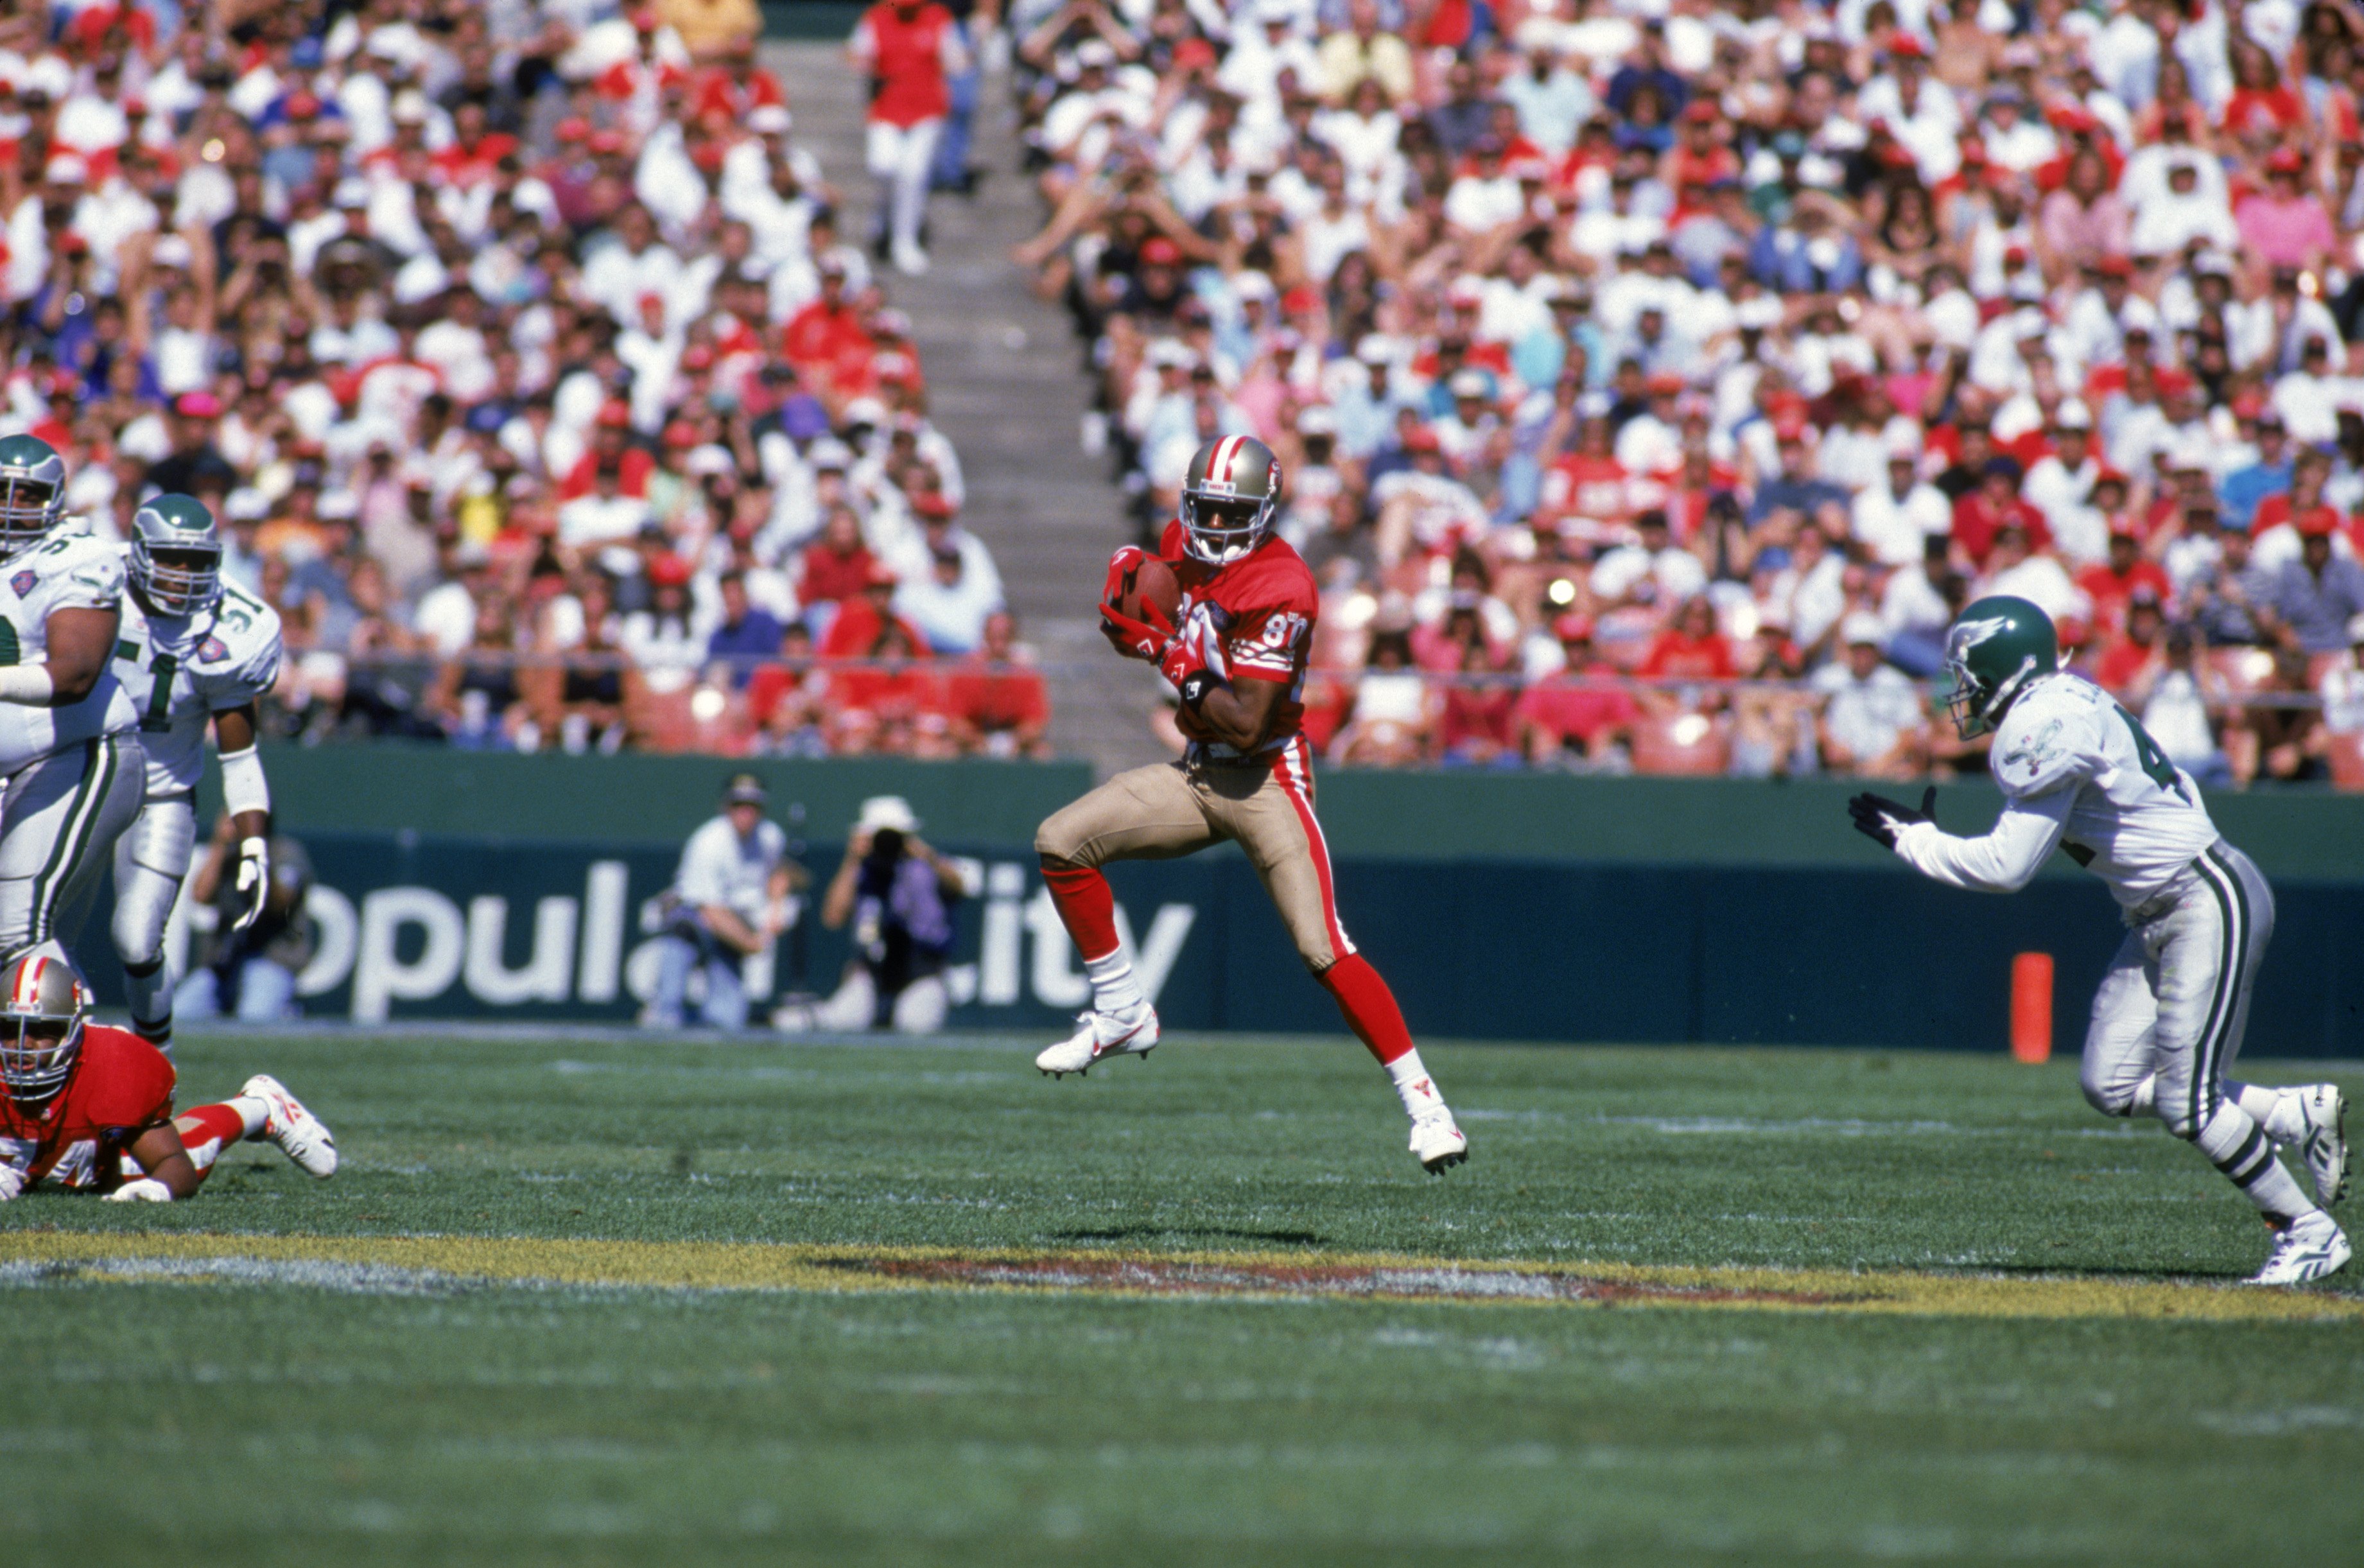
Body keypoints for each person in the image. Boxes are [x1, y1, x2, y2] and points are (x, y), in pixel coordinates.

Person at [1849, 596, 2351, 1286]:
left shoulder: (2042, 724)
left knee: (2188, 1103)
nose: (1958, 692)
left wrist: (1913, 839)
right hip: (2159, 909)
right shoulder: (2061, 701)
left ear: (2005, 668)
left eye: (1968, 675)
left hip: (2202, 897)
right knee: (2109, 1083)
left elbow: (2005, 869)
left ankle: (2308, 1231)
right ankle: (2292, 1112)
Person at [1033, 435, 1469, 1175]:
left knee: (1322, 946)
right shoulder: (1186, 544)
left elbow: (1246, 719)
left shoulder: (1282, 584)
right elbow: (1155, 600)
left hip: (1266, 778)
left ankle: (1426, 1104)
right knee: (1060, 840)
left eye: (1228, 512)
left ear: (1263, 514)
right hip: (1200, 773)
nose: (1209, 525)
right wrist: (1131, 610)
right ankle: (1122, 1009)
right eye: (1201, 508)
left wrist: (1163, 652)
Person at [104, 494, 284, 1054]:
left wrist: (254, 845)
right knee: (28, 932)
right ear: (138, 553)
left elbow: (239, 753)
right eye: (170, 558)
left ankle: (157, 1073)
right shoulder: (90, 580)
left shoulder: (237, 626)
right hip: (75, 777)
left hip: (161, 794)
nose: (184, 574)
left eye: (197, 561)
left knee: (137, 942)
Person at [0, 945, 335, 1203]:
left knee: (185, 1149)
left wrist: (160, 1189)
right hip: (57, 1162)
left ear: (72, 1032)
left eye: (41, 1030)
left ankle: (262, 1107)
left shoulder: (110, 1067)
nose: (22, 1044)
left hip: (105, 1165)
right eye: (9, 1028)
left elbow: (177, 1167)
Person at [0, 435, 146, 966]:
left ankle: (74, 1051)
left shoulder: (77, 556)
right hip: (9, 767)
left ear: (56, 501)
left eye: (28, 495)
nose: (11, 507)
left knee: (14, 930)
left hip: (78, 754)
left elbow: (77, 673)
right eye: (1, 491)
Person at [792, 794, 973, 1033]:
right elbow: (833, 918)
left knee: (914, 1025)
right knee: (843, 1022)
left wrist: (925, 855)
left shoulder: (923, 867)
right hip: (871, 972)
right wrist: (853, 859)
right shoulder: (863, 870)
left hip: (923, 971)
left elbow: (960, 886)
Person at [645, 772, 797, 1029]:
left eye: (753, 806)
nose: (746, 812)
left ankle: (694, 1019)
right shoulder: (709, 842)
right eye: (739, 805)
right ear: (726, 807)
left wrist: (777, 904)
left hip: (734, 921)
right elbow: (710, 911)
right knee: (667, 1015)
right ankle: (663, 1007)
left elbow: (781, 874)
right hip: (694, 920)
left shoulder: (770, 836)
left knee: (728, 1019)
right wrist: (751, 943)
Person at [849, 0, 971, 276]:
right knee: (883, 165)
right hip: (886, 109)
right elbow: (856, 52)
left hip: (927, 110)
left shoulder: (938, 18)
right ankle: (884, 215)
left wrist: (961, 58)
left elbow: (956, 59)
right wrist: (865, 64)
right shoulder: (876, 17)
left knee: (913, 172)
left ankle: (905, 241)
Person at [174, 814, 314, 1024]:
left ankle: (286, 1011)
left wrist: (256, 851)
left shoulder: (285, 852)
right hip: (225, 964)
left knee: (254, 1017)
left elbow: (280, 903)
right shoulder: (228, 855)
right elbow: (201, 895)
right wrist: (219, 844)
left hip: (273, 960)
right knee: (180, 1012)